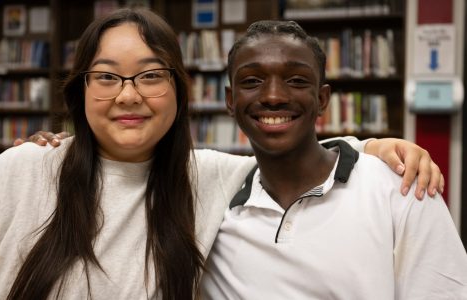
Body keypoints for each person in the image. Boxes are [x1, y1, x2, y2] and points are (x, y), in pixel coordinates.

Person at [0, 7, 442, 300]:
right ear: (81, 90)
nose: (128, 96)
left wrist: (374, 147)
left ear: (179, 91)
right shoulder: (21, 170)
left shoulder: (207, 177)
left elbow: (293, 152)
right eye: (108, 76)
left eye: (151, 76)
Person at [198, 20, 467, 299]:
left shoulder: (403, 188)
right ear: (230, 100)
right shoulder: (213, 206)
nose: (274, 96)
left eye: (296, 80)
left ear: (323, 99)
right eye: (252, 81)